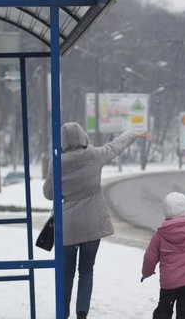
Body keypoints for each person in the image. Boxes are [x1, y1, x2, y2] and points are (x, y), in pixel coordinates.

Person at [43, 122, 147, 319]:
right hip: (92, 223)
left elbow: (49, 194)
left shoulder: (56, 162)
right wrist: (131, 133)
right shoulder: (95, 155)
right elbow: (116, 145)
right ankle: (82, 313)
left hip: (68, 227)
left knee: (66, 274)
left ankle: (62, 313)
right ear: (83, 137)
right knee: (86, 271)